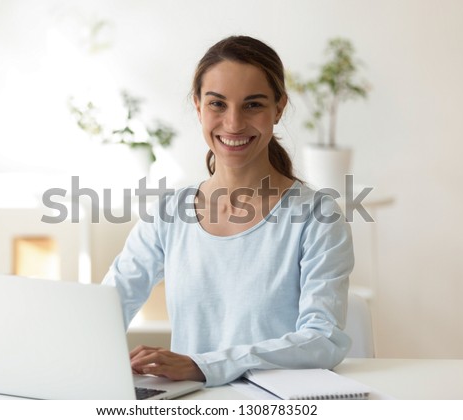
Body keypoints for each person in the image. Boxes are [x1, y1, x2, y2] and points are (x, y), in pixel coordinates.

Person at [102, 35, 354, 387]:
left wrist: (203, 365)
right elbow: (105, 308)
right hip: (191, 404)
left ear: (279, 108)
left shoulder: (316, 217)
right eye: (217, 104)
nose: (233, 124)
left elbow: (322, 340)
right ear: (198, 105)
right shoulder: (169, 213)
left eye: (253, 105)